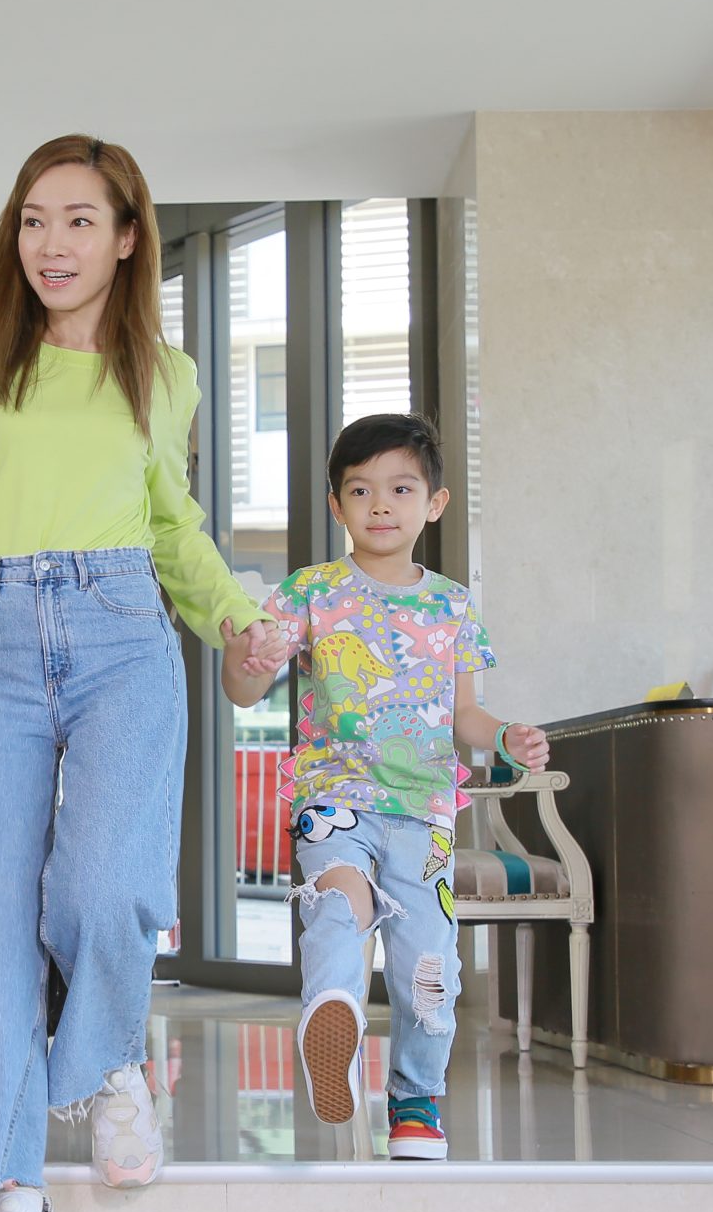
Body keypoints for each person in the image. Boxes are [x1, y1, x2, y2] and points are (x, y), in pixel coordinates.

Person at [0, 134, 287, 1212]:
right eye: (31, 220)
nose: (50, 244)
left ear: (124, 238)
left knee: (105, 888)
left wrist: (235, 615)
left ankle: (108, 1057)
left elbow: (174, 527)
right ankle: (17, 1211)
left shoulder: (165, 373)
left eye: (77, 221)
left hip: (123, 633)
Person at [224, 412, 549, 1160]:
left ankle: (415, 1101)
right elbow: (245, 688)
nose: (380, 505)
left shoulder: (453, 605)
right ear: (336, 505)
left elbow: (465, 714)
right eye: (360, 490)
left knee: (428, 968)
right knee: (340, 908)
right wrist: (247, 659)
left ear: (434, 502)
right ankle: (332, 1015)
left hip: (423, 812)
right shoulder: (310, 592)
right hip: (334, 797)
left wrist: (505, 736)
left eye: (401, 489)